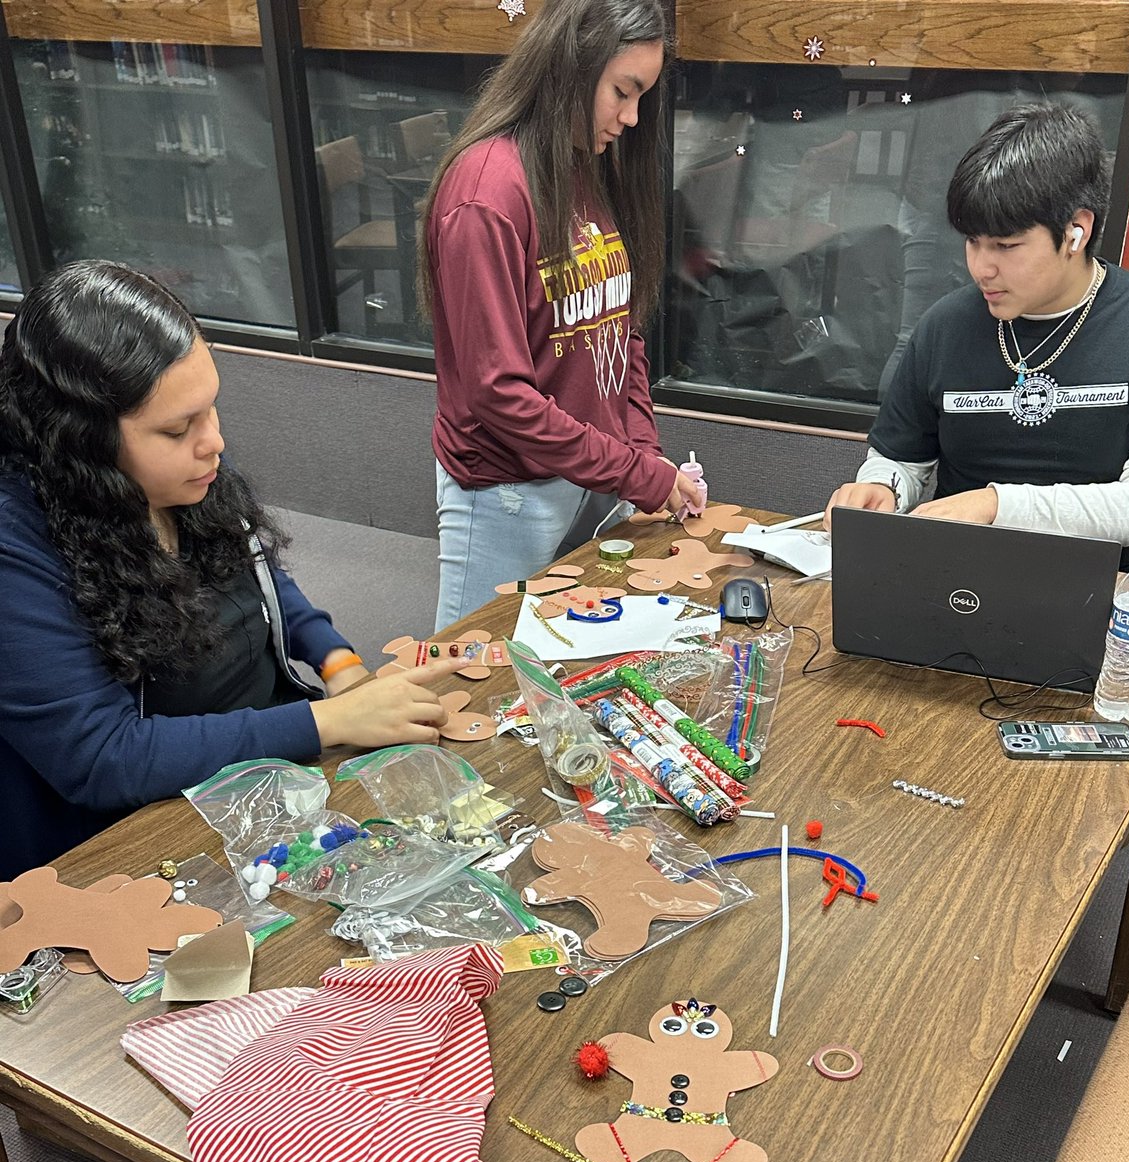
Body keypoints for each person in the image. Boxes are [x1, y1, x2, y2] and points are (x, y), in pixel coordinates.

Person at [0, 260, 464, 879]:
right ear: (81, 444)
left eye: (211, 409)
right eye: (176, 428)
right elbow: (104, 757)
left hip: (264, 775)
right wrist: (323, 721)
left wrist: (339, 664)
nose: (213, 441)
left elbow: (256, 573)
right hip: (145, 835)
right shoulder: (18, 553)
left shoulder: (189, 470)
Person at [421, 0, 701, 627]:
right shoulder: (486, 194)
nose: (631, 118)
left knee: (576, 668)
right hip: (508, 490)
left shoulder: (583, 165)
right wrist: (634, 471)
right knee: (475, 678)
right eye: (623, 93)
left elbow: (619, 330)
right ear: (572, 67)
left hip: (591, 476)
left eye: (642, 98)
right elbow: (500, 394)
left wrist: (643, 454)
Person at [825, 103, 1129, 556]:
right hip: (952, 580)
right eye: (972, 242)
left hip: (1100, 594)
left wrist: (996, 506)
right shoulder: (945, 326)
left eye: (1006, 246)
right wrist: (885, 488)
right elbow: (902, 462)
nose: (981, 267)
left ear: (1076, 231)